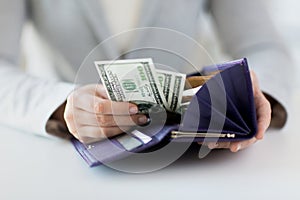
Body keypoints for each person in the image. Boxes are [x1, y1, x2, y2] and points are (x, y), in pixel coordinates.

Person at [0, 0, 293, 152]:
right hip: (58, 160)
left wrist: (248, 98)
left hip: (189, 160)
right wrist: (60, 105)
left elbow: (263, 46)